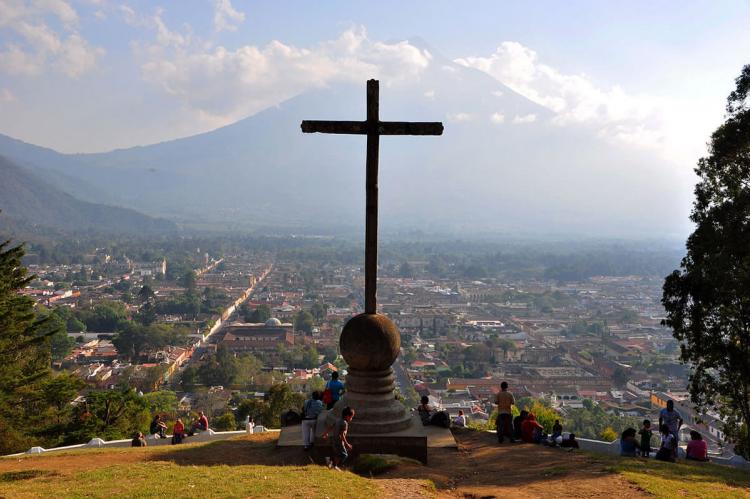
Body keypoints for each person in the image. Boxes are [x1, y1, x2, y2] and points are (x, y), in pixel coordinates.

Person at [322, 406, 355, 471]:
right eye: (351, 417)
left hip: (334, 440)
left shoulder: (338, 420)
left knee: (337, 453)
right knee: (344, 455)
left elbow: (331, 426)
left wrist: (325, 433)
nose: (351, 419)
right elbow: (342, 435)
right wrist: (347, 444)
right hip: (339, 442)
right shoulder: (344, 423)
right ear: (347, 416)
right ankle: (334, 465)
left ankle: (330, 461)